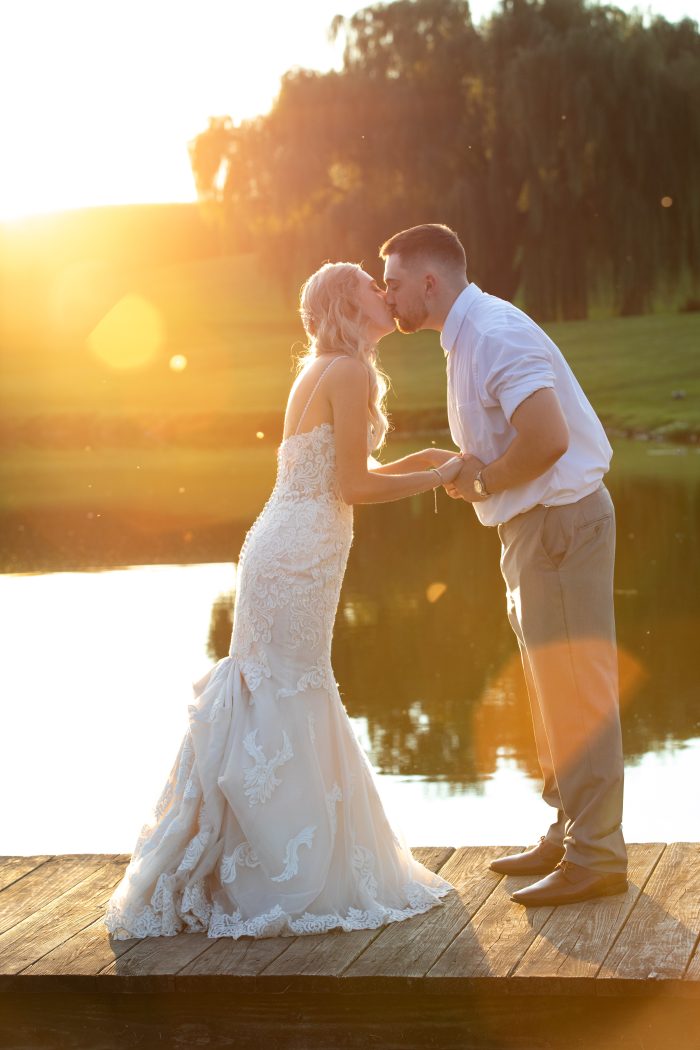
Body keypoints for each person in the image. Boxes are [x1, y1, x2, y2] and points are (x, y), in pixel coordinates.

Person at [103, 261, 463, 940]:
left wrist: (424, 461)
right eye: (369, 286)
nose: (384, 294)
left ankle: (235, 860)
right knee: (293, 688)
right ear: (346, 306)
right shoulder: (349, 373)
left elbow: (338, 472)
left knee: (275, 688)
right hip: (301, 554)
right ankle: (277, 871)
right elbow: (352, 485)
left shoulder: (320, 369)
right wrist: (440, 475)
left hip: (280, 545)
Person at [380, 223, 628, 907]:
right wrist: (474, 473)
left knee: (577, 690)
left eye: (393, 281)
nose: (385, 293)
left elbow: (546, 437)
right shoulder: (466, 337)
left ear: (430, 282)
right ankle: (569, 831)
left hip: (560, 524)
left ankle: (597, 857)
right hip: (535, 529)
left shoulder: (491, 332)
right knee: (551, 689)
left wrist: (483, 483)